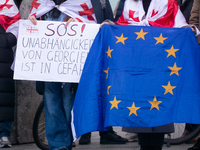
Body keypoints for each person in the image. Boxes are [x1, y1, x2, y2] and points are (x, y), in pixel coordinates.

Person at [28, 0, 114, 150]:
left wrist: (78, 23)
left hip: (71, 65)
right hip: (48, 64)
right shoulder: (41, 2)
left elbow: (90, 23)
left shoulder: (81, 2)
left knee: (69, 105)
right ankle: (57, 145)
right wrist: (33, 20)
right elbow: (35, 19)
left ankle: (66, 141)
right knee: (51, 105)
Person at [109, 0, 192, 150]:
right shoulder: (130, 3)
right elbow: (122, 26)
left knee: (159, 107)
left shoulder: (168, 3)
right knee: (139, 108)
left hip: (160, 67)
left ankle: (156, 146)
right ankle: (143, 145)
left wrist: (188, 30)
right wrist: (109, 25)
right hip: (137, 67)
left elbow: (180, 25)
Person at [0, 0, 20, 148]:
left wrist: (7, 40)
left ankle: (3, 134)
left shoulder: (6, 3)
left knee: (4, 96)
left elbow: (16, 25)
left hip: (3, 57)